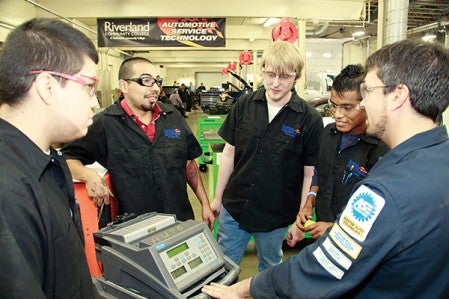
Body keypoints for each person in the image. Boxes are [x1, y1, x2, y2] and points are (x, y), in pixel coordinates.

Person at [202, 39, 449, 298]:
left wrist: (244, 289)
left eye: (368, 91)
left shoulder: (384, 190)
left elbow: (322, 266)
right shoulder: (437, 160)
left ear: (398, 95)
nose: (363, 104)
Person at [0, 18, 99, 298]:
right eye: (89, 87)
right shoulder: (8, 189)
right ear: (48, 86)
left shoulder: (48, 162)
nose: (95, 101)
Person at [62, 57, 215, 230]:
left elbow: (188, 163)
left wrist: (204, 203)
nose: (155, 88)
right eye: (146, 81)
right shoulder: (105, 123)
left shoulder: (173, 116)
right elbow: (66, 157)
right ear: (124, 86)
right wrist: (87, 174)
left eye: (157, 81)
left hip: (179, 221)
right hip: (133, 229)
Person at [210, 41, 323, 272]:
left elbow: (309, 173)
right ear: (262, 70)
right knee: (223, 270)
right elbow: (229, 153)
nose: (275, 83)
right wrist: (218, 198)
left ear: (296, 77)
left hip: (275, 214)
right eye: (270, 74)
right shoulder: (244, 105)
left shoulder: (309, 119)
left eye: (284, 76)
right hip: (235, 208)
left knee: (270, 270)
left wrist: (300, 219)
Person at [287, 64, 389, 246]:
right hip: (322, 234)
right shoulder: (328, 133)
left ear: (366, 104)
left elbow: (382, 212)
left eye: (347, 107)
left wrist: (335, 227)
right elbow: (319, 172)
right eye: (333, 106)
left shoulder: (380, 148)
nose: (337, 114)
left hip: (358, 243)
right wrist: (309, 202)